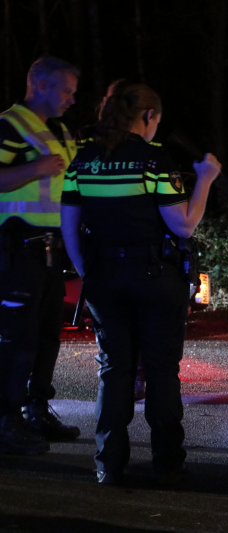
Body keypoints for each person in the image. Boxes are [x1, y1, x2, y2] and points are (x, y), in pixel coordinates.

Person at [60, 83, 221, 486]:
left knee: (113, 372)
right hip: (155, 278)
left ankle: (108, 464)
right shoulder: (153, 160)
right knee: (162, 371)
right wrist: (205, 179)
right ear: (148, 117)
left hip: (104, 278)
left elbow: (70, 228)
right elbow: (182, 223)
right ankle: (168, 464)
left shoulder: (83, 161)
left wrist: (88, 273)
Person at [0, 56, 82, 455]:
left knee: (48, 335)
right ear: (39, 84)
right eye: (66, 90)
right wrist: (34, 169)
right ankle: (7, 419)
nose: (71, 99)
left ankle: (36, 410)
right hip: (18, 250)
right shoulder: (10, 126)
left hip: (52, 251)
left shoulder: (61, 130)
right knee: (18, 339)